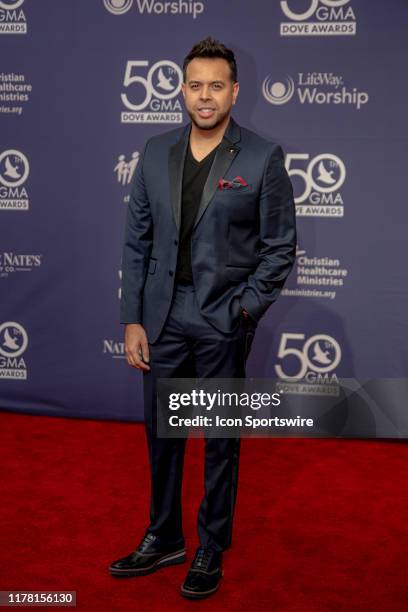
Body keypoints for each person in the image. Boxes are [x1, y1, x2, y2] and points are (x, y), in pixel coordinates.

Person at [109, 37, 296, 600]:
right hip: (162, 317)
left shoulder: (262, 157)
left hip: (220, 320)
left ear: (235, 92)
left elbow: (280, 248)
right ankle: (164, 535)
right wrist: (133, 318)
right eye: (196, 85)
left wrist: (243, 309)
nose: (205, 96)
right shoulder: (156, 149)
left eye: (217, 86)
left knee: (220, 440)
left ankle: (212, 545)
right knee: (162, 436)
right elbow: (137, 242)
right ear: (183, 90)